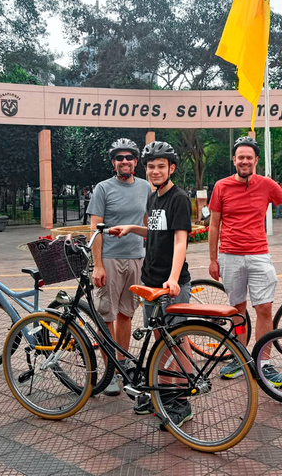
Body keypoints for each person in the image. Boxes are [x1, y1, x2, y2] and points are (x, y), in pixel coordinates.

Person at [208, 136, 282, 384]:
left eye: (249, 157)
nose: (244, 161)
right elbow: (214, 225)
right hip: (229, 256)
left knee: (264, 309)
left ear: (256, 160)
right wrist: (212, 260)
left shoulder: (267, 185)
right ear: (234, 159)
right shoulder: (221, 186)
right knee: (237, 309)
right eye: (240, 157)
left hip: (259, 255)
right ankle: (239, 357)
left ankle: (264, 362)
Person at [108, 141, 194, 426]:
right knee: (161, 340)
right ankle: (163, 393)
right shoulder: (153, 196)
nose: (155, 171)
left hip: (171, 284)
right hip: (150, 280)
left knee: (177, 341)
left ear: (171, 168)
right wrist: (132, 228)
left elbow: (180, 240)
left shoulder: (178, 198)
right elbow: (157, 231)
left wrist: (173, 278)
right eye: (151, 167)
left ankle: (181, 400)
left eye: (161, 166)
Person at [87, 138, 151, 397]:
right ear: (114, 162)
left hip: (136, 259)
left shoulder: (146, 187)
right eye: (119, 158)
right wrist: (98, 265)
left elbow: (149, 226)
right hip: (111, 260)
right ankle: (109, 372)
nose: (124, 161)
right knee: (106, 316)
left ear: (136, 161)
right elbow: (95, 229)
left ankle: (123, 366)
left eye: (129, 157)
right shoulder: (103, 188)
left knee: (126, 314)